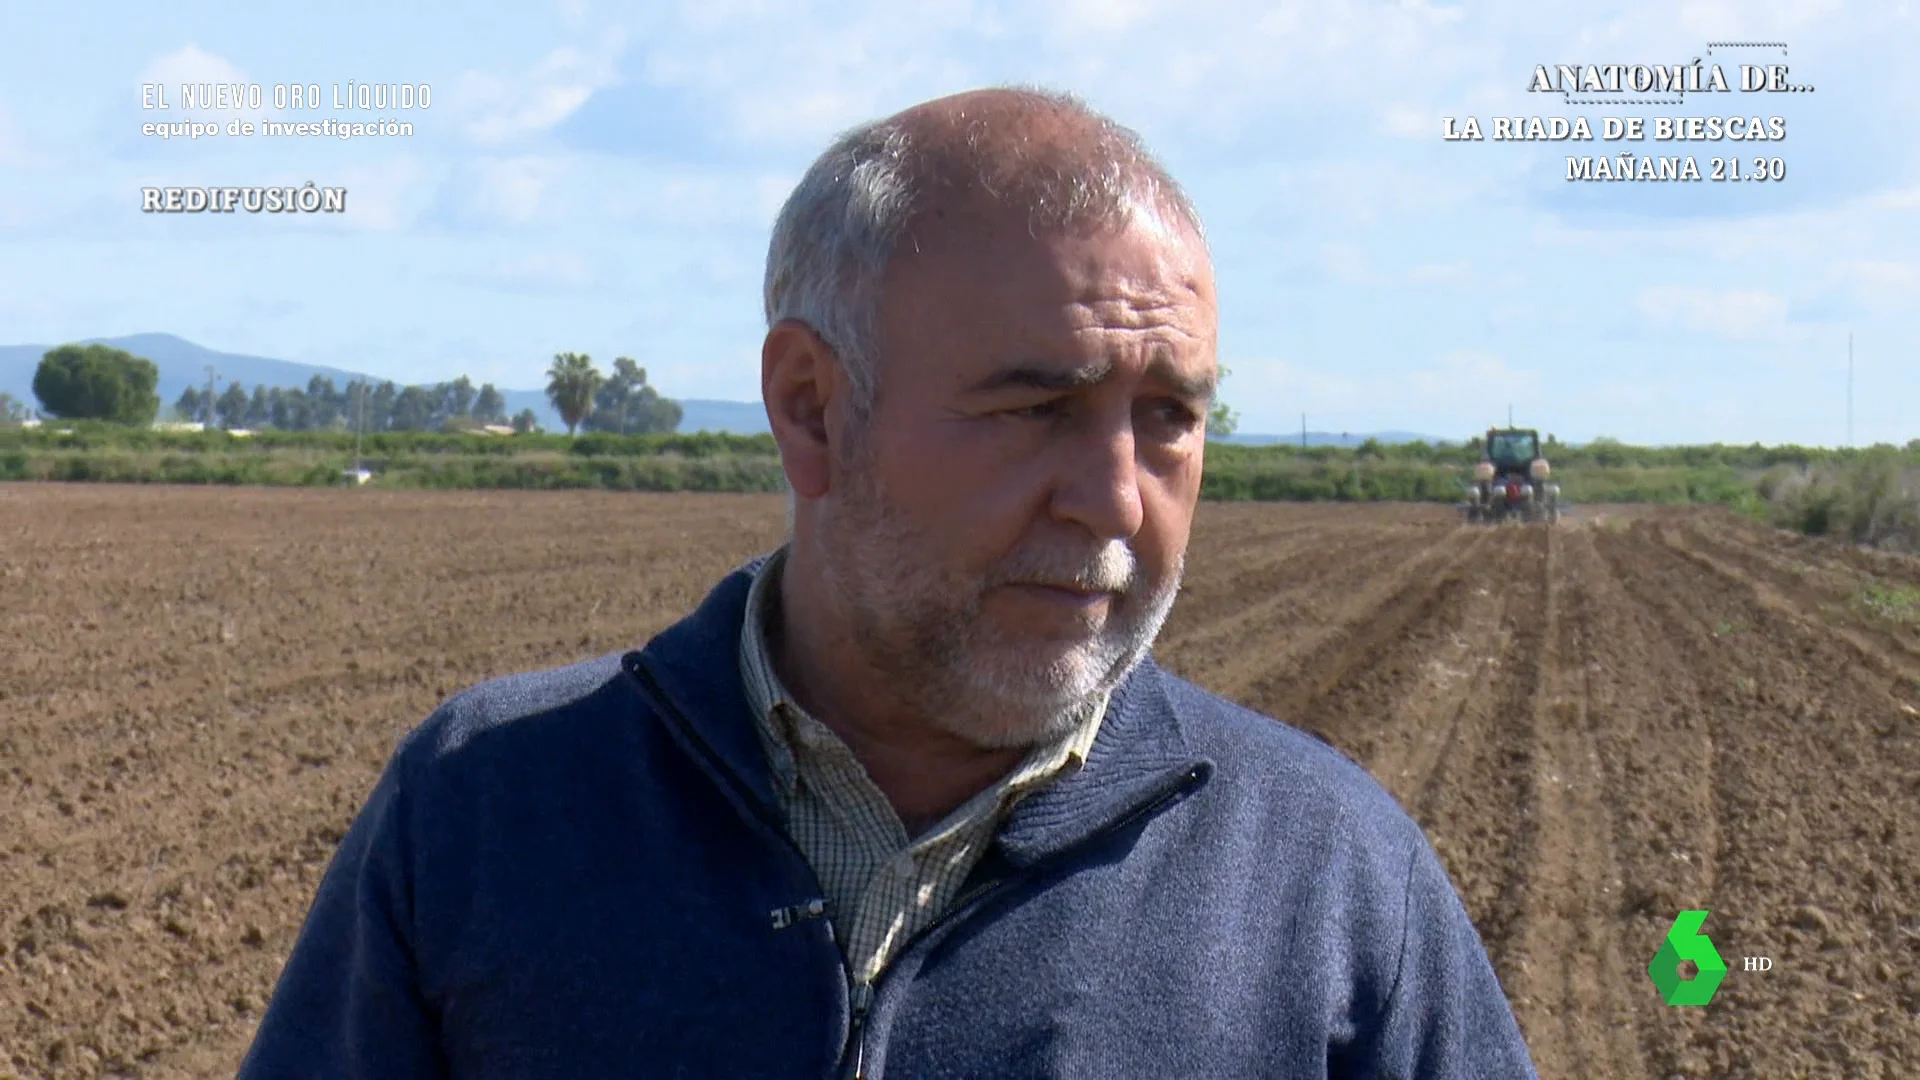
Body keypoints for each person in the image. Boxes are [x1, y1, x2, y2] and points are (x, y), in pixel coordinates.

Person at [238, 86, 1540, 1079]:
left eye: (1168, 420)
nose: (1115, 500)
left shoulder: (1328, 877)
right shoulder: (488, 814)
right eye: (1037, 408)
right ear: (812, 409)